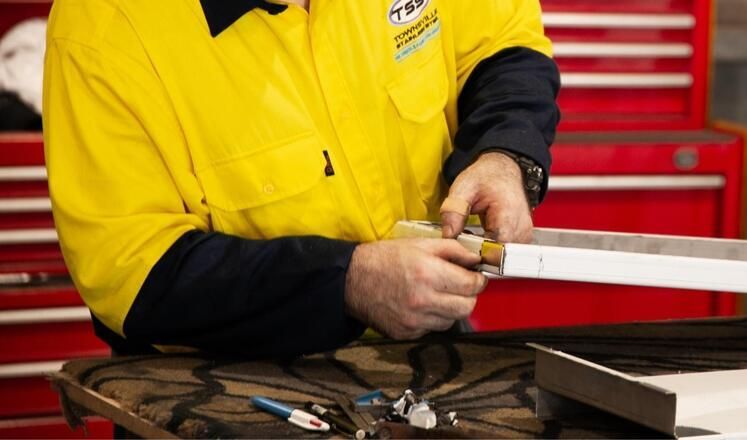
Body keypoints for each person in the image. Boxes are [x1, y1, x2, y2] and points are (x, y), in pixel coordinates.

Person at [43, 0, 560, 357]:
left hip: (428, 358)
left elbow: (503, 41)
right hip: (226, 394)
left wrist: (506, 153)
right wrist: (346, 283)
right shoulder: (103, 31)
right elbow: (135, 274)